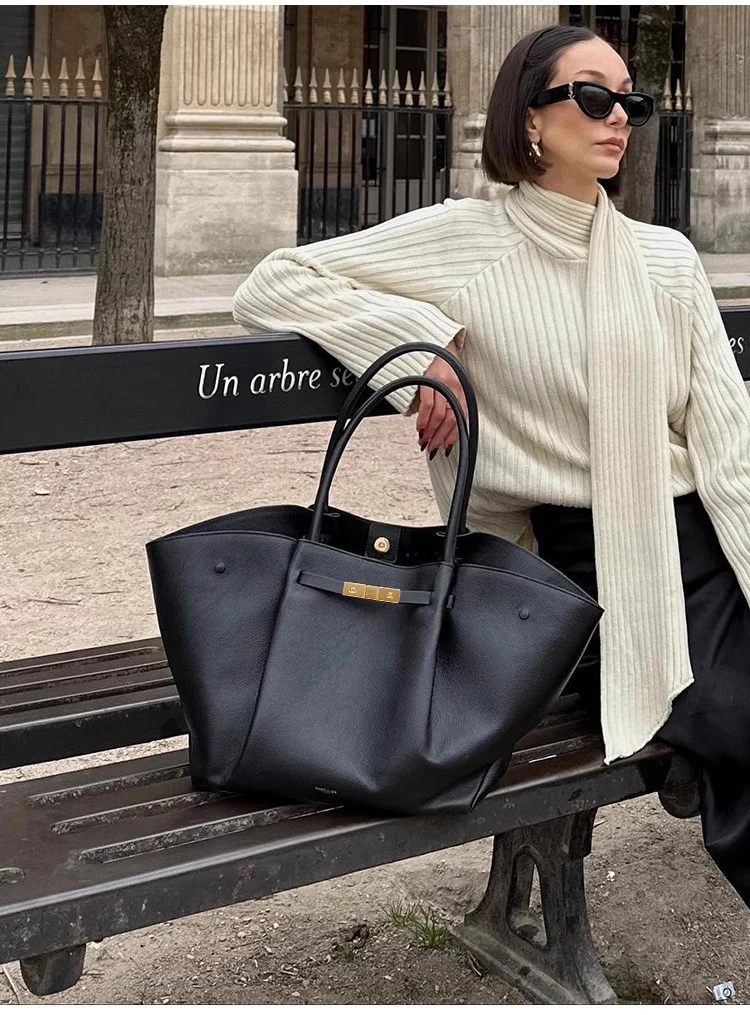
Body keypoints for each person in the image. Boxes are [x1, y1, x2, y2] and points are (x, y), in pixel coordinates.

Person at [233, 25, 750, 907]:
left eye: (631, 100)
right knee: (738, 724)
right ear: (530, 117)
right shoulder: (469, 240)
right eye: (594, 95)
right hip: (582, 569)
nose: (619, 117)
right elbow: (273, 282)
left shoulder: (667, 256)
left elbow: (729, 448)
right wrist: (425, 347)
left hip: (698, 545)